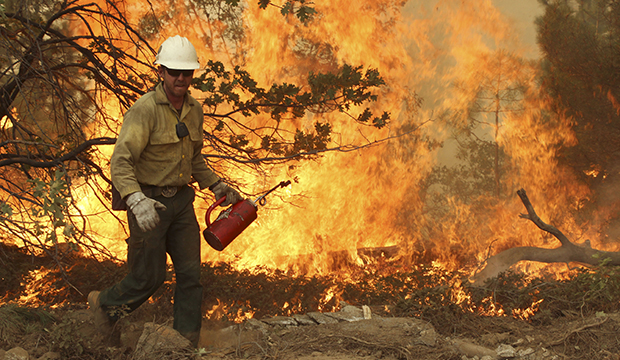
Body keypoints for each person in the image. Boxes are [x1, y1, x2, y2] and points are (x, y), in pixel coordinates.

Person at [88, 35, 242, 346]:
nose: (180, 79)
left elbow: (194, 156)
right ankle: (104, 305)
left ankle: (185, 344)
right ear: (161, 72)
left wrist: (215, 184)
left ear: (193, 75)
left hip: (182, 203)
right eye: (174, 72)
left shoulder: (194, 110)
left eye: (187, 74)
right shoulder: (144, 110)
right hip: (149, 202)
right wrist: (135, 200)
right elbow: (120, 162)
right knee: (149, 277)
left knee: (190, 276)